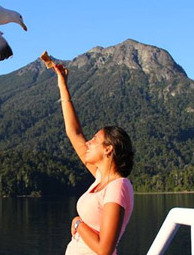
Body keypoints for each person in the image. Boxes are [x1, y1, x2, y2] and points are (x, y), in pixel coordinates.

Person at [53, 64, 134, 255]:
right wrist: (63, 85)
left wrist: (79, 223)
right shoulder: (101, 179)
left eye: (94, 140)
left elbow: (105, 250)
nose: (88, 143)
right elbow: (74, 133)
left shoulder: (118, 186)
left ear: (108, 149)